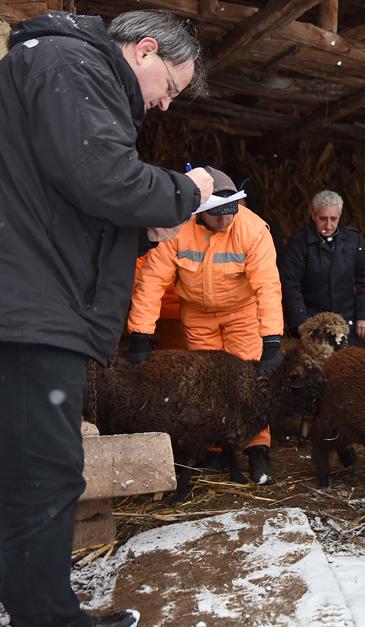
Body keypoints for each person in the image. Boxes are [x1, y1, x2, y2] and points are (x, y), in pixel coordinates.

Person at [0, 9, 212, 627]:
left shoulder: (58, 67)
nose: (165, 105)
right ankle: (48, 620)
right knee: (45, 471)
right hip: (32, 305)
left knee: (29, 466)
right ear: (144, 50)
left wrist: (142, 229)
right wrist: (187, 191)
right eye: (169, 87)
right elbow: (101, 176)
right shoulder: (72, 64)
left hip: (33, 296)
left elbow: (71, 201)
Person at [126, 166, 284, 485]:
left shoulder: (253, 230)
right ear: (200, 212)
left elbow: (268, 286)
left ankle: (257, 448)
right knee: (206, 385)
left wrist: (272, 342)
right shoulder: (177, 229)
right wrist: (140, 335)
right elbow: (151, 281)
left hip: (242, 313)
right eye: (218, 215)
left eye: (231, 213)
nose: (226, 220)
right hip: (197, 314)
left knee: (250, 381)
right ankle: (213, 448)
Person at [280, 190, 365, 345]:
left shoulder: (354, 240)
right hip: (312, 318)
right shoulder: (299, 244)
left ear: (340, 215)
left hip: (347, 319)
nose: (329, 225)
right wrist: (300, 321)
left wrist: (364, 314)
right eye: (323, 219)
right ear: (313, 215)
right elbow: (289, 284)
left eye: (334, 219)